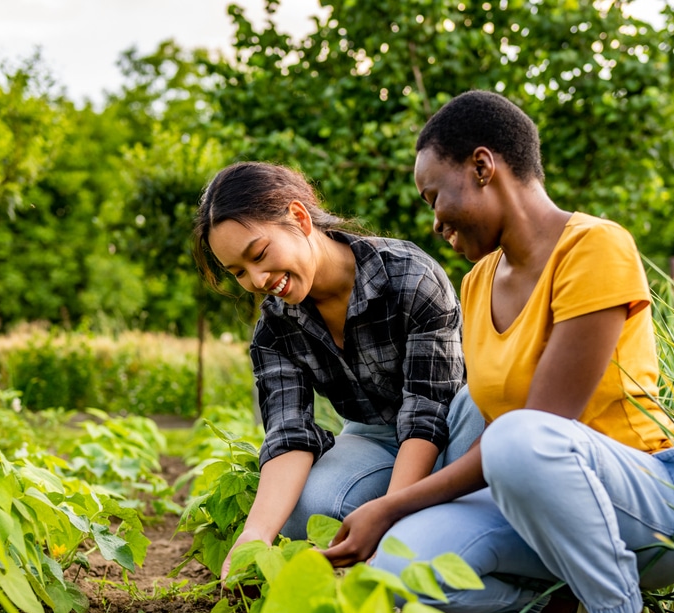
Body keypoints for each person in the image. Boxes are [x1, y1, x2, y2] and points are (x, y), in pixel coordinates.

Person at [324, 91, 674, 613]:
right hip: (549, 511)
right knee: (396, 564)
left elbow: (542, 427)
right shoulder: (478, 284)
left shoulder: (594, 247)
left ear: (483, 167)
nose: (433, 221)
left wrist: (390, 503)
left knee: (520, 441)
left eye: (434, 197)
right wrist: (398, 523)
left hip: (662, 503)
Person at [193, 162, 484, 582]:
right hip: (375, 431)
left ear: (299, 217)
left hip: (456, 422)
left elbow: (426, 414)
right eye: (238, 272)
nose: (256, 279)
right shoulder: (274, 331)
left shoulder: (408, 277)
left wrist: (388, 520)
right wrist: (254, 535)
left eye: (258, 254)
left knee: (472, 426)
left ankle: (439, 588)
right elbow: (288, 433)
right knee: (305, 510)